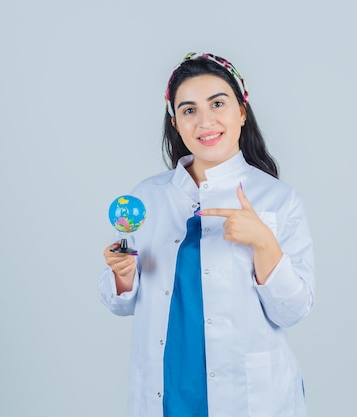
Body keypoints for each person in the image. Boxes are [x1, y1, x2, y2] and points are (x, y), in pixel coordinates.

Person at [99, 52, 315, 417]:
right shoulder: (147, 197)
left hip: (249, 395)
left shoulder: (278, 199)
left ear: (242, 112)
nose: (205, 121)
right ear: (175, 123)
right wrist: (122, 277)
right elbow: (119, 303)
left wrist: (264, 243)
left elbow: (292, 311)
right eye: (188, 110)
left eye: (218, 103)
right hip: (167, 388)